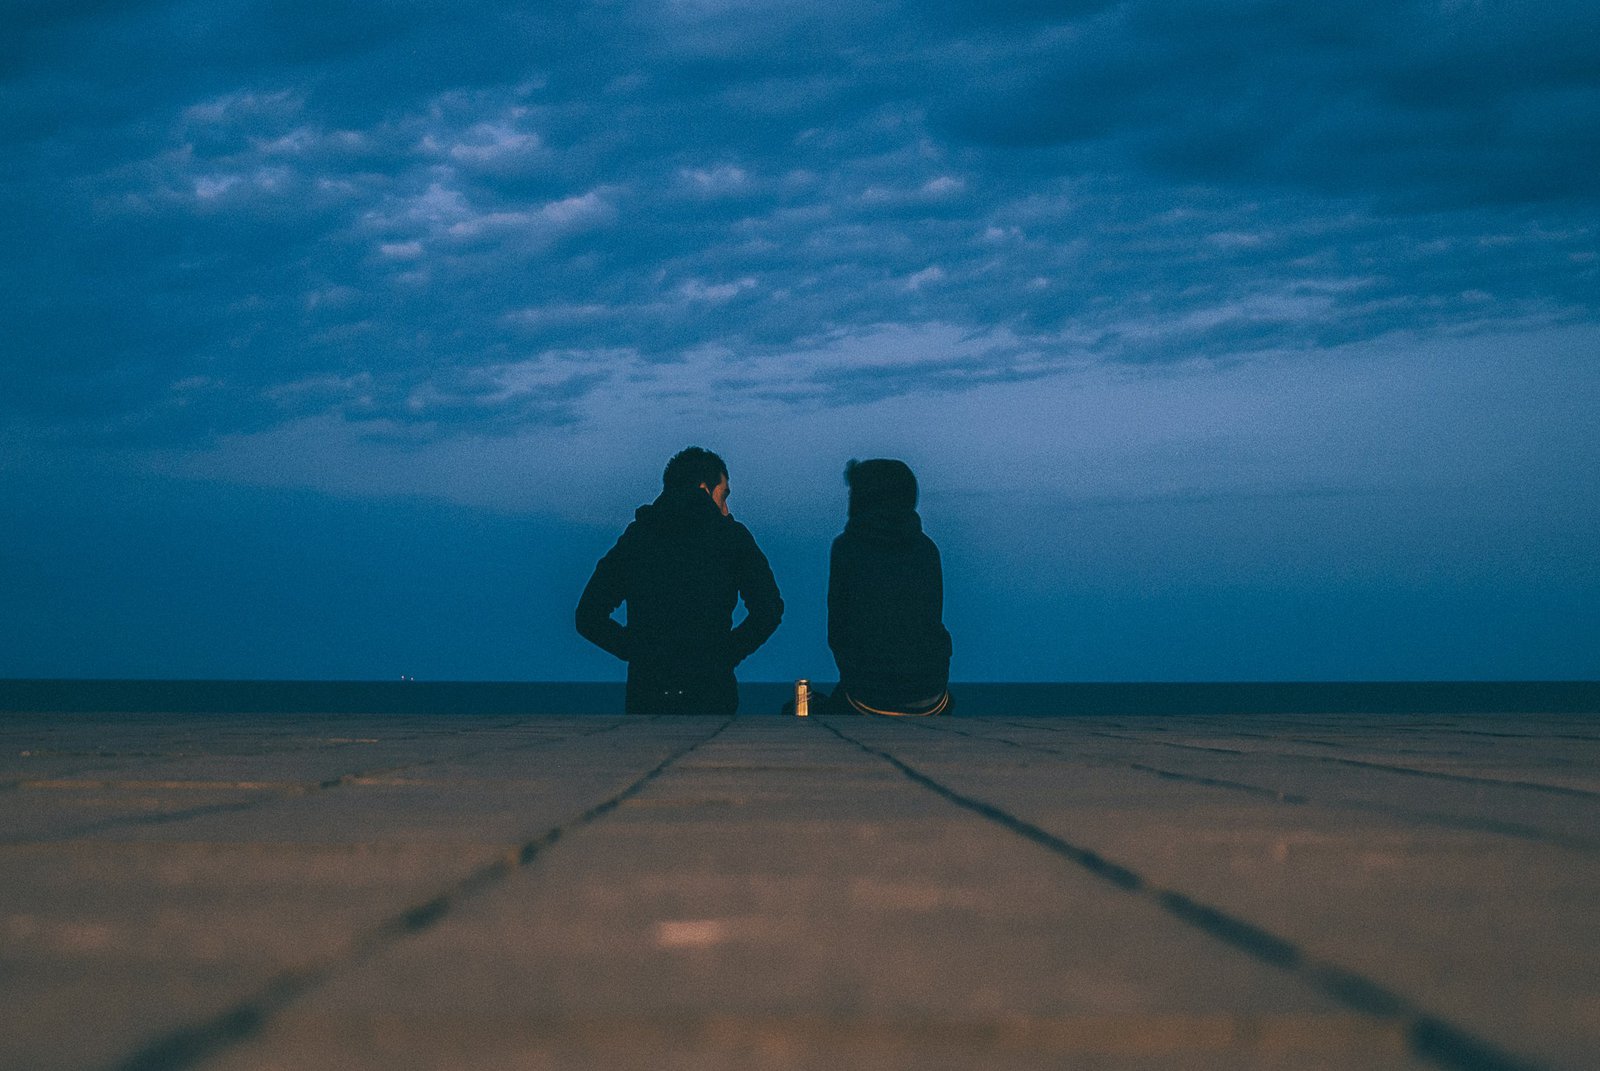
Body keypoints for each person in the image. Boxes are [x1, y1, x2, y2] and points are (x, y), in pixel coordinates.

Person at [576, 447, 783, 715]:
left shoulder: (639, 538)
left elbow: (588, 616)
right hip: (711, 694)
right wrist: (724, 656)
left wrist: (639, 651)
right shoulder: (730, 537)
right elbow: (769, 609)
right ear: (704, 488)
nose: (727, 508)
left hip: (648, 694)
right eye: (724, 496)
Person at [823, 458, 952, 715]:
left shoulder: (846, 548)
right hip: (931, 691)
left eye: (853, 493)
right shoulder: (927, 549)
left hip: (869, 693)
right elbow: (931, 618)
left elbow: (838, 627)